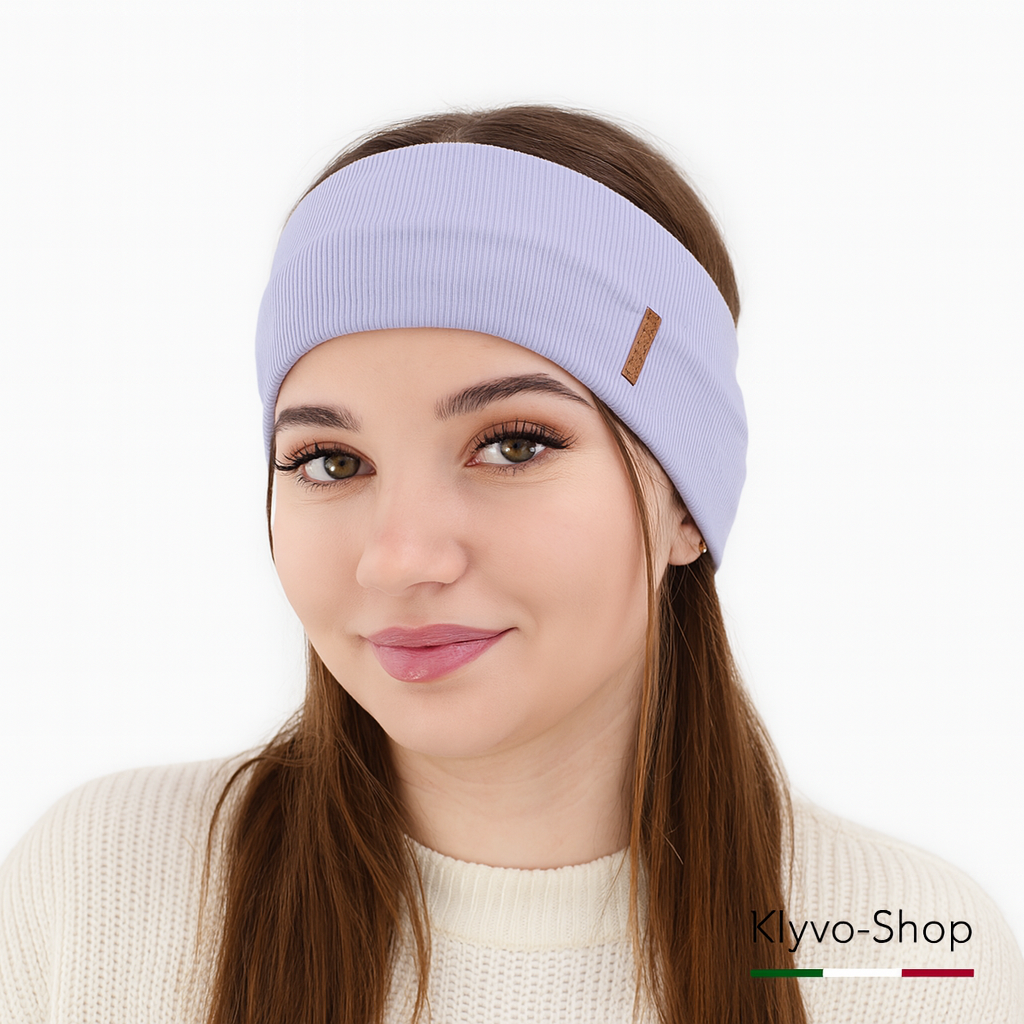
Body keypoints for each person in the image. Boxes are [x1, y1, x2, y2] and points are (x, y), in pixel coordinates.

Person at [0, 105, 1020, 1024]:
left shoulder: (904, 958)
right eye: (329, 460)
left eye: (514, 444)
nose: (401, 558)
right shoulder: (98, 891)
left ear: (686, 503)